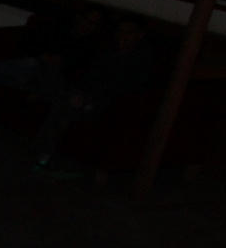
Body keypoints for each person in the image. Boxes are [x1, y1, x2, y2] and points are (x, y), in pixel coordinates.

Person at [0, 7, 103, 135]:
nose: (87, 26)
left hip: (42, 84)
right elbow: (25, 43)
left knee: (27, 65)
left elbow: (74, 77)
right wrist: (42, 55)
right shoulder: (57, 28)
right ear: (78, 18)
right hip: (21, 72)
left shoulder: (89, 47)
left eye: (93, 24)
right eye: (86, 20)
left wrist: (58, 65)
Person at [33, 16, 157, 169]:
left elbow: (124, 89)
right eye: (119, 32)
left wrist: (88, 99)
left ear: (140, 35)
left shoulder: (140, 59)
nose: (122, 36)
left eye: (129, 33)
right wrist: (78, 92)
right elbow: (88, 77)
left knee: (60, 104)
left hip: (102, 104)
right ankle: (53, 94)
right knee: (50, 71)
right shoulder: (109, 52)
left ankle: (45, 154)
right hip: (82, 94)